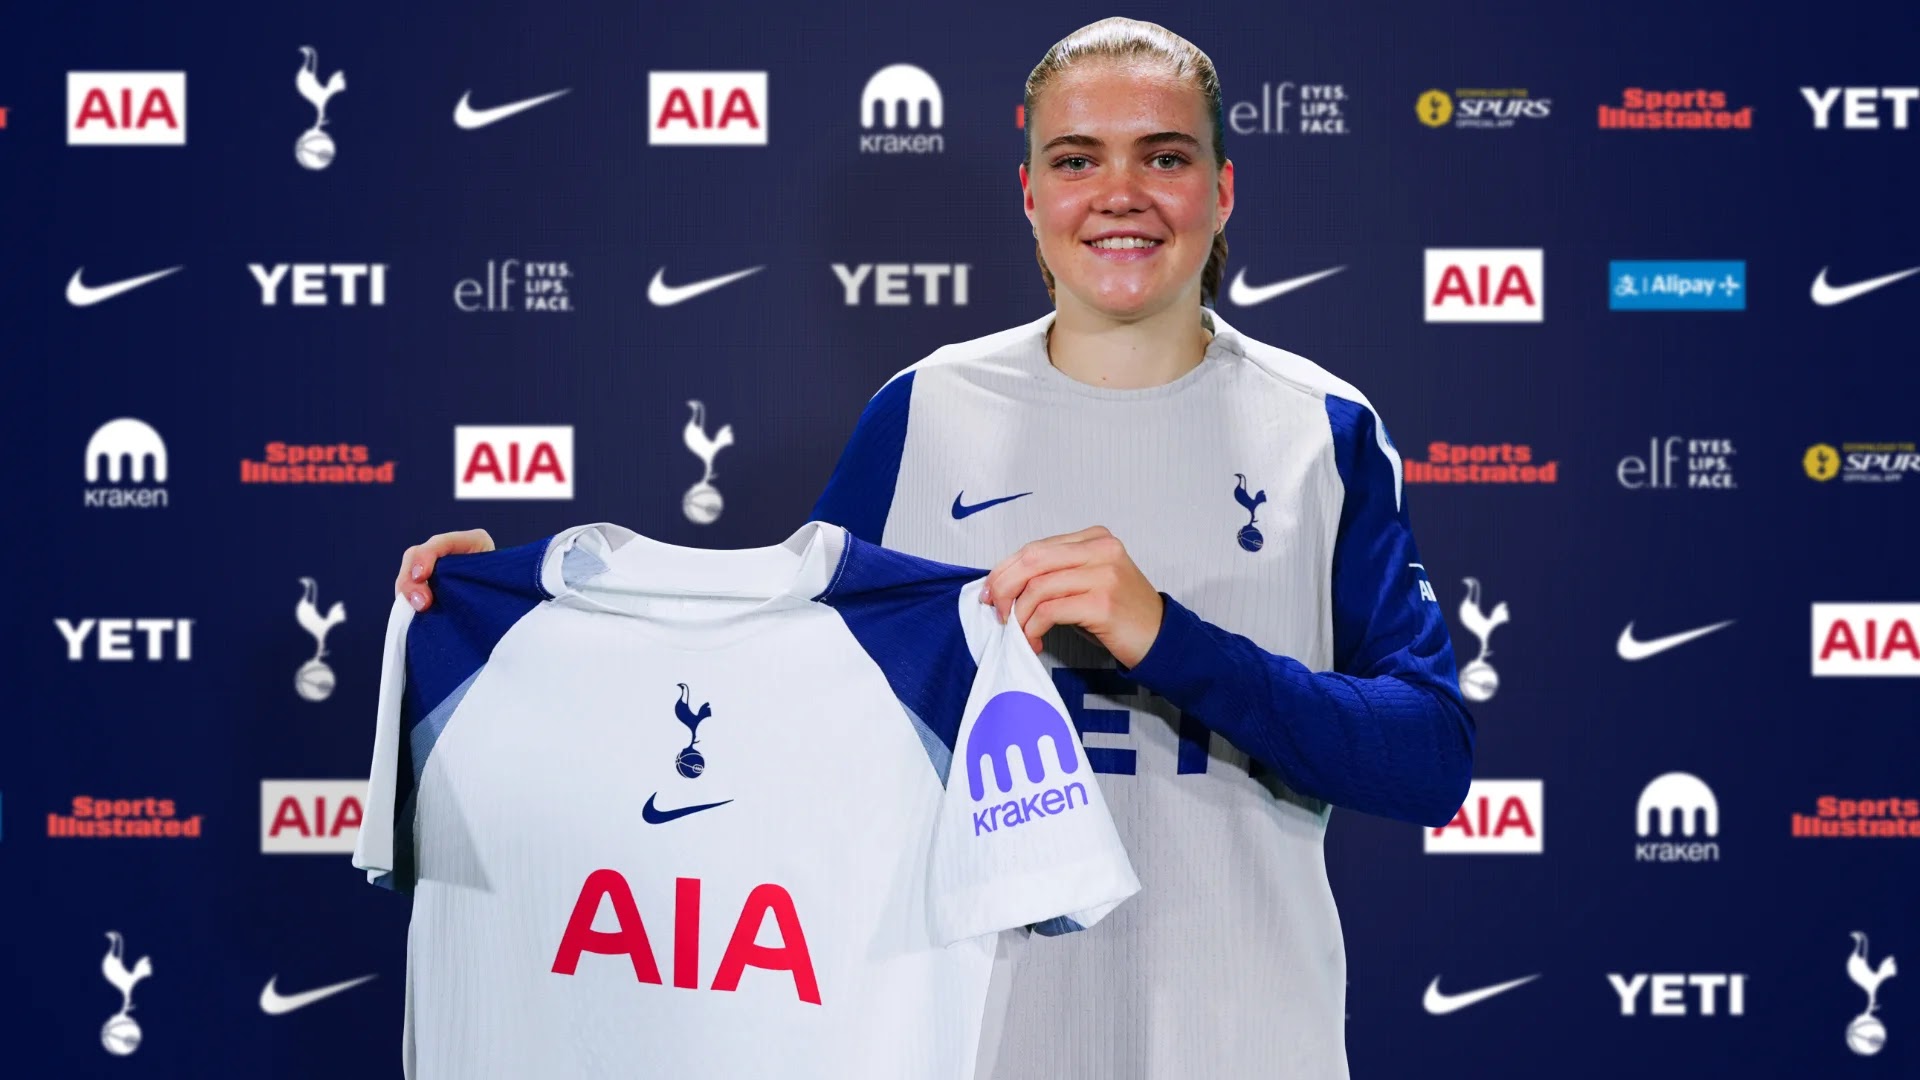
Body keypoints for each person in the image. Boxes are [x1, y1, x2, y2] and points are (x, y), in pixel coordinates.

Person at [395, 17, 1472, 1080]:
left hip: (1247, 1045)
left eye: (1166, 156)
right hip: (970, 1047)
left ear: (1222, 190)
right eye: (1077, 158)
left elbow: (1427, 758)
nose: (1121, 193)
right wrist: (533, 628)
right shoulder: (922, 413)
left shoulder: (1323, 429)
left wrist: (1166, 638)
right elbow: (775, 695)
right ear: (1033, 195)